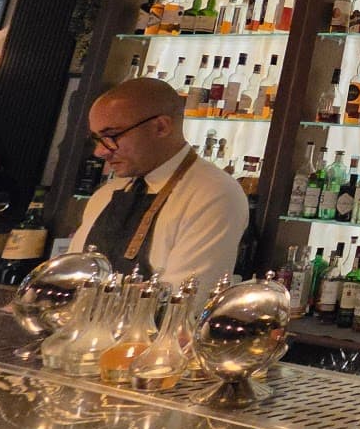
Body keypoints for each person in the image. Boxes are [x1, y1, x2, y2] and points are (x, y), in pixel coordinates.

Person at [67, 77, 248, 286]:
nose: (99, 151)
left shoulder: (215, 193)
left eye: (112, 136)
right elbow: (72, 276)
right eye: (97, 139)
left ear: (161, 127)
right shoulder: (106, 194)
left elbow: (182, 299)